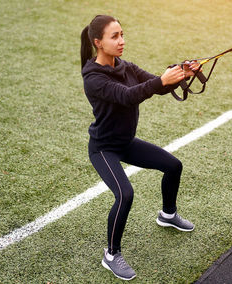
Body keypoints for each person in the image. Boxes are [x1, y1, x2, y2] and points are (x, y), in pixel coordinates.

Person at [80, 15, 200, 281]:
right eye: (115, 37)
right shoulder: (94, 78)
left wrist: (181, 73)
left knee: (173, 166)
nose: (122, 41)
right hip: (104, 148)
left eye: (122, 34)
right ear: (98, 43)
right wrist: (160, 81)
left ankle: (168, 214)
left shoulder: (126, 67)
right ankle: (111, 254)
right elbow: (127, 96)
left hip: (125, 143)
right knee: (125, 194)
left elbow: (155, 85)